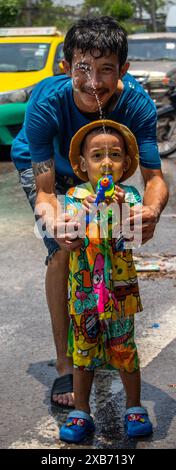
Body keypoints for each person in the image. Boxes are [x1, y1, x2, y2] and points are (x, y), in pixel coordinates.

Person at [11, 16, 169, 409]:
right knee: (65, 246)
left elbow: (154, 176)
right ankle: (66, 361)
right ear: (66, 67)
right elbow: (47, 192)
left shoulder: (137, 102)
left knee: (111, 249)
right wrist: (55, 220)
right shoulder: (47, 102)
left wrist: (150, 211)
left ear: (124, 70)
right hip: (48, 169)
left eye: (106, 70)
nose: (94, 82)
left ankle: (106, 337)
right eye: (83, 68)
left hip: (103, 170)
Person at [59, 119, 153, 443]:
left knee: (124, 348)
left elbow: (134, 236)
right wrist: (84, 213)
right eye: (98, 156)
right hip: (85, 291)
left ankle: (134, 406)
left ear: (125, 164)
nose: (107, 162)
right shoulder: (74, 196)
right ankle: (80, 411)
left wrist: (123, 207)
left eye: (115, 155)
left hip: (119, 290)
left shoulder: (130, 196)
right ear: (84, 165)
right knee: (83, 352)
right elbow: (69, 235)